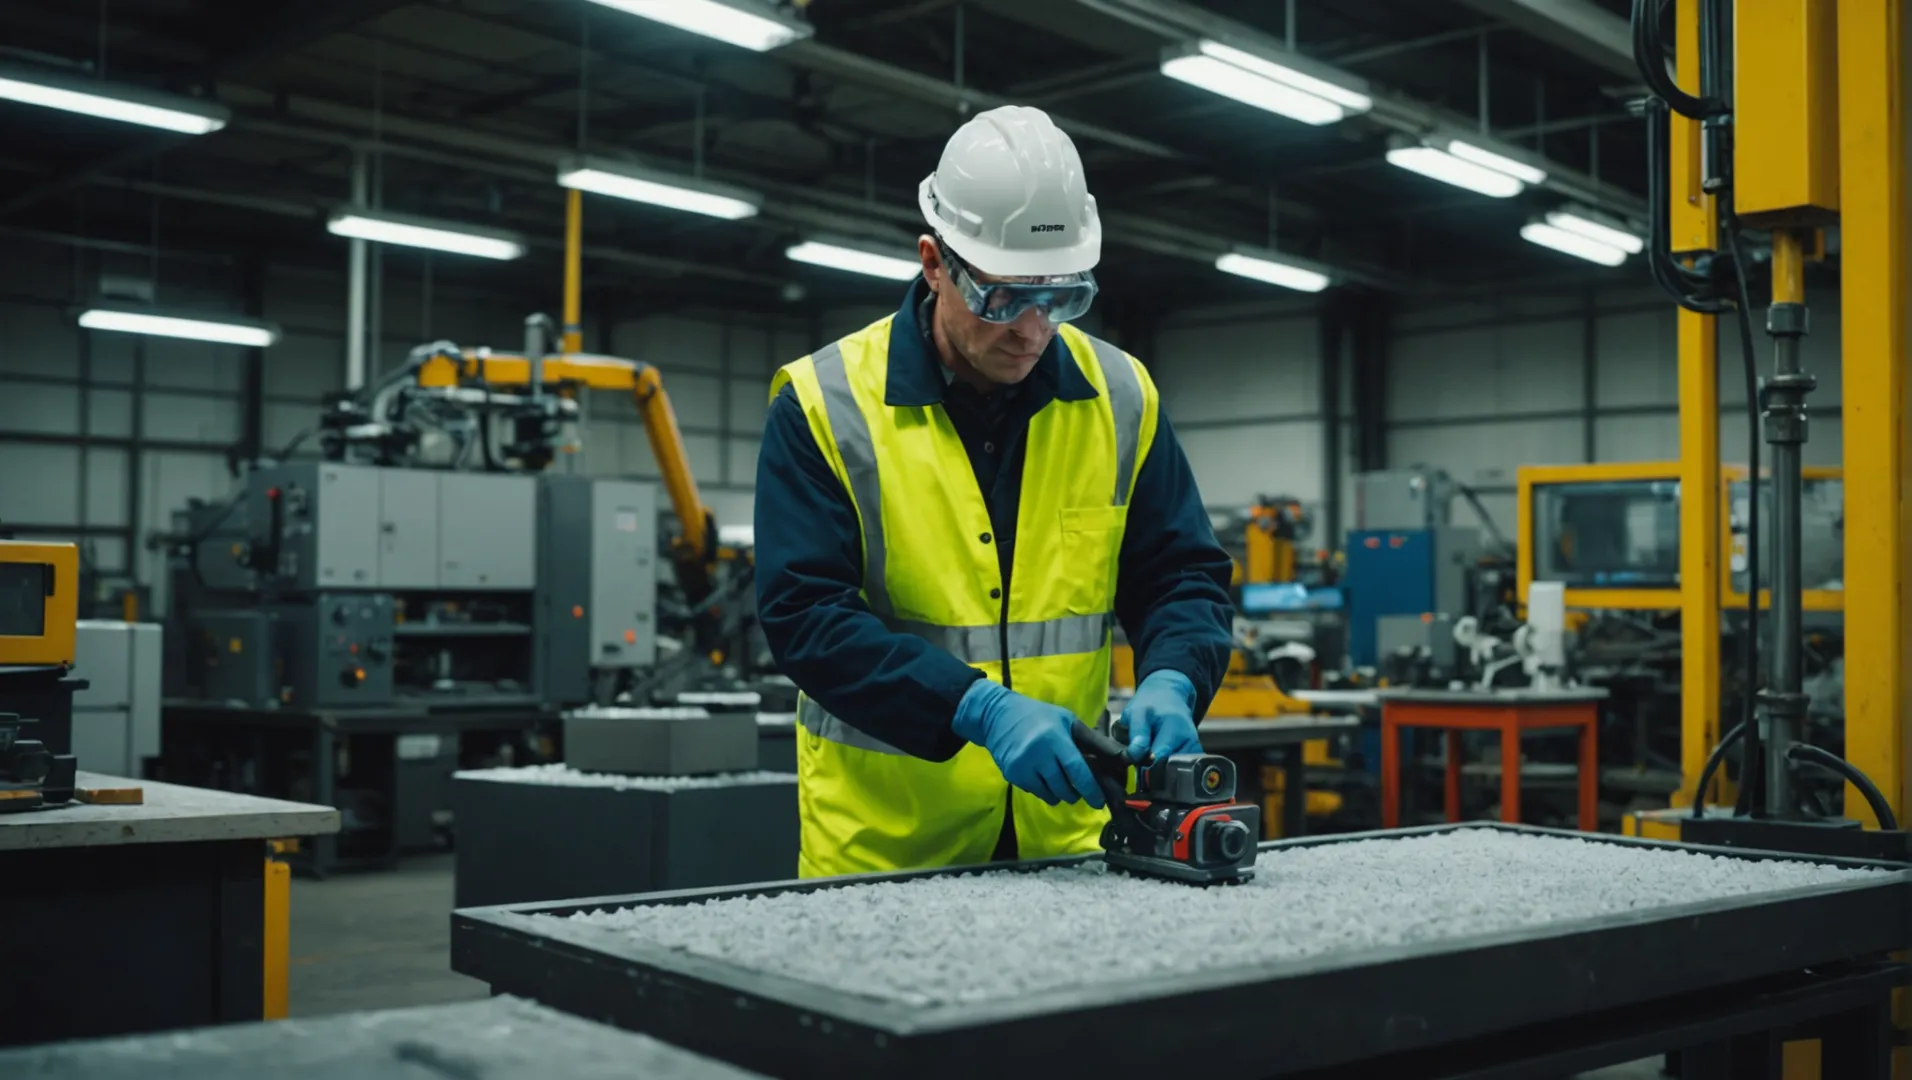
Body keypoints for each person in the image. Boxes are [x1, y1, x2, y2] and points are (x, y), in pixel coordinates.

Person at [754, 104, 1235, 879]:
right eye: (1004, 296)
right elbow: (805, 618)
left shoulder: (1121, 396)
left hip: (1072, 844)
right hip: (888, 851)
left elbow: (1180, 573)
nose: (1032, 329)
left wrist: (1174, 675)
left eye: (1061, 296)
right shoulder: (824, 404)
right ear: (934, 262)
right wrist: (977, 708)